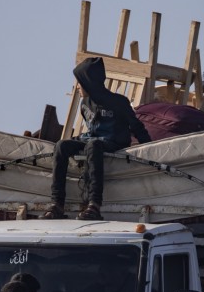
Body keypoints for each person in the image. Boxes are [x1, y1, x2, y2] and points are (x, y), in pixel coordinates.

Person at [43, 56, 152, 221]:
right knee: (61, 145)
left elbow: (137, 127)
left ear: (89, 82)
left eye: (80, 82)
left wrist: (150, 150)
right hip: (93, 139)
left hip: (114, 140)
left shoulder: (119, 102)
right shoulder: (85, 103)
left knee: (93, 145)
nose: (77, 87)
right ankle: (57, 204)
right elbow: (92, 129)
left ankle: (94, 205)